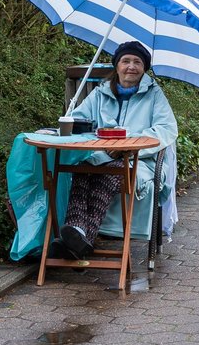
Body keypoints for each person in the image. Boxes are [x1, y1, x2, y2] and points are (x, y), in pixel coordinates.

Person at [52, 40, 178, 259]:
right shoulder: (100, 93)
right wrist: (71, 122)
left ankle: (80, 237)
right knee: (81, 169)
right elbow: (81, 121)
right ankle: (79, 234)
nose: (131, 66)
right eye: (125, 61)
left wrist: (127, 144)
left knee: (112, 173)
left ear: (144, 68)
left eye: (137, 62)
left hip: (141, 162)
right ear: (117, 65)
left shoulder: (154, 94)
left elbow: (166, 129)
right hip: (101, 156)